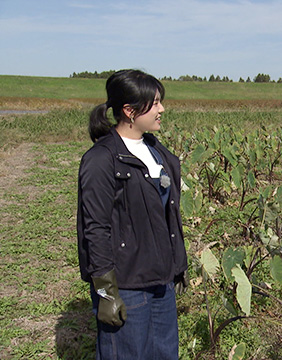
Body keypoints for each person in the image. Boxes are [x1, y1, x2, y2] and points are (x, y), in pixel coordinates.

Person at [77, 69, 188, 359]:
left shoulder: (155, 150)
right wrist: (105, 291)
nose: (161, 109)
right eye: (154, 103)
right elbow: (96, 228)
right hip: (126, 282)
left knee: (165, 353)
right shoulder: (101, 159)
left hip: (161, 280)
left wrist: (176, 265)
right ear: (129, 110)